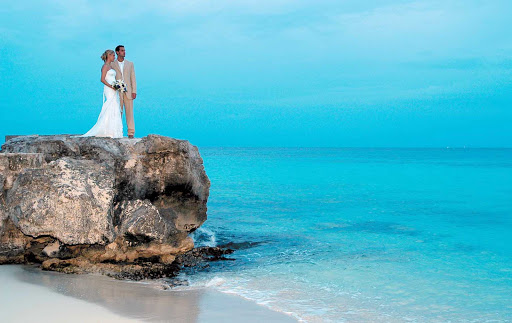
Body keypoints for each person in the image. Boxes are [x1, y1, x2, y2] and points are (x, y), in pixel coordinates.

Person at [80, 50, 123, 138]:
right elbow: (102, 79)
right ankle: (106, 129)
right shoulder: (105, 66)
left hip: (113, 88)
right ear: (109, 56)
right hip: (109, 88)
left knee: (115, 105)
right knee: (111, 105)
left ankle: (113, 130)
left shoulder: (110, 66)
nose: (114, 57)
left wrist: (118, 85)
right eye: (113, 55)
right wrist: (111, 86)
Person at [111, 45, 137, 138]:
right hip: (118, 92)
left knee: (129, 112)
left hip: (129, 91)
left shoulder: (130, 64)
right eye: (122, 50)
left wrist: (134, 91)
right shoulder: (112, 64)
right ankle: (118, 132)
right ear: (117, 52)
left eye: (124, 50)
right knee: (118, 112)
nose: (124, 52)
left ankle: (131, 133)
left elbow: (133, 78)